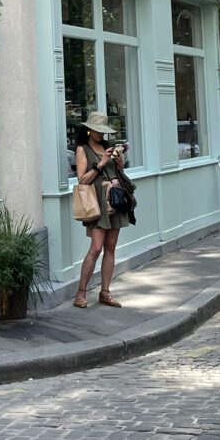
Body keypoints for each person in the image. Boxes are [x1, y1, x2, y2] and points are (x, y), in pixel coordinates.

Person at [73, 111, 130, 309]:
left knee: (111, 247)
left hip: (115, 200)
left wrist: (119, 164)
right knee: (96, 248)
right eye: (97, 130)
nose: (100, 134)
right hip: (97, 202)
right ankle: (81, 292)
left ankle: (105, 292)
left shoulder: (107, 147)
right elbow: (82, 180)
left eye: (102, 131)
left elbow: (118, 173)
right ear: (88, 129)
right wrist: (102, 163)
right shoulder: (83, 149)